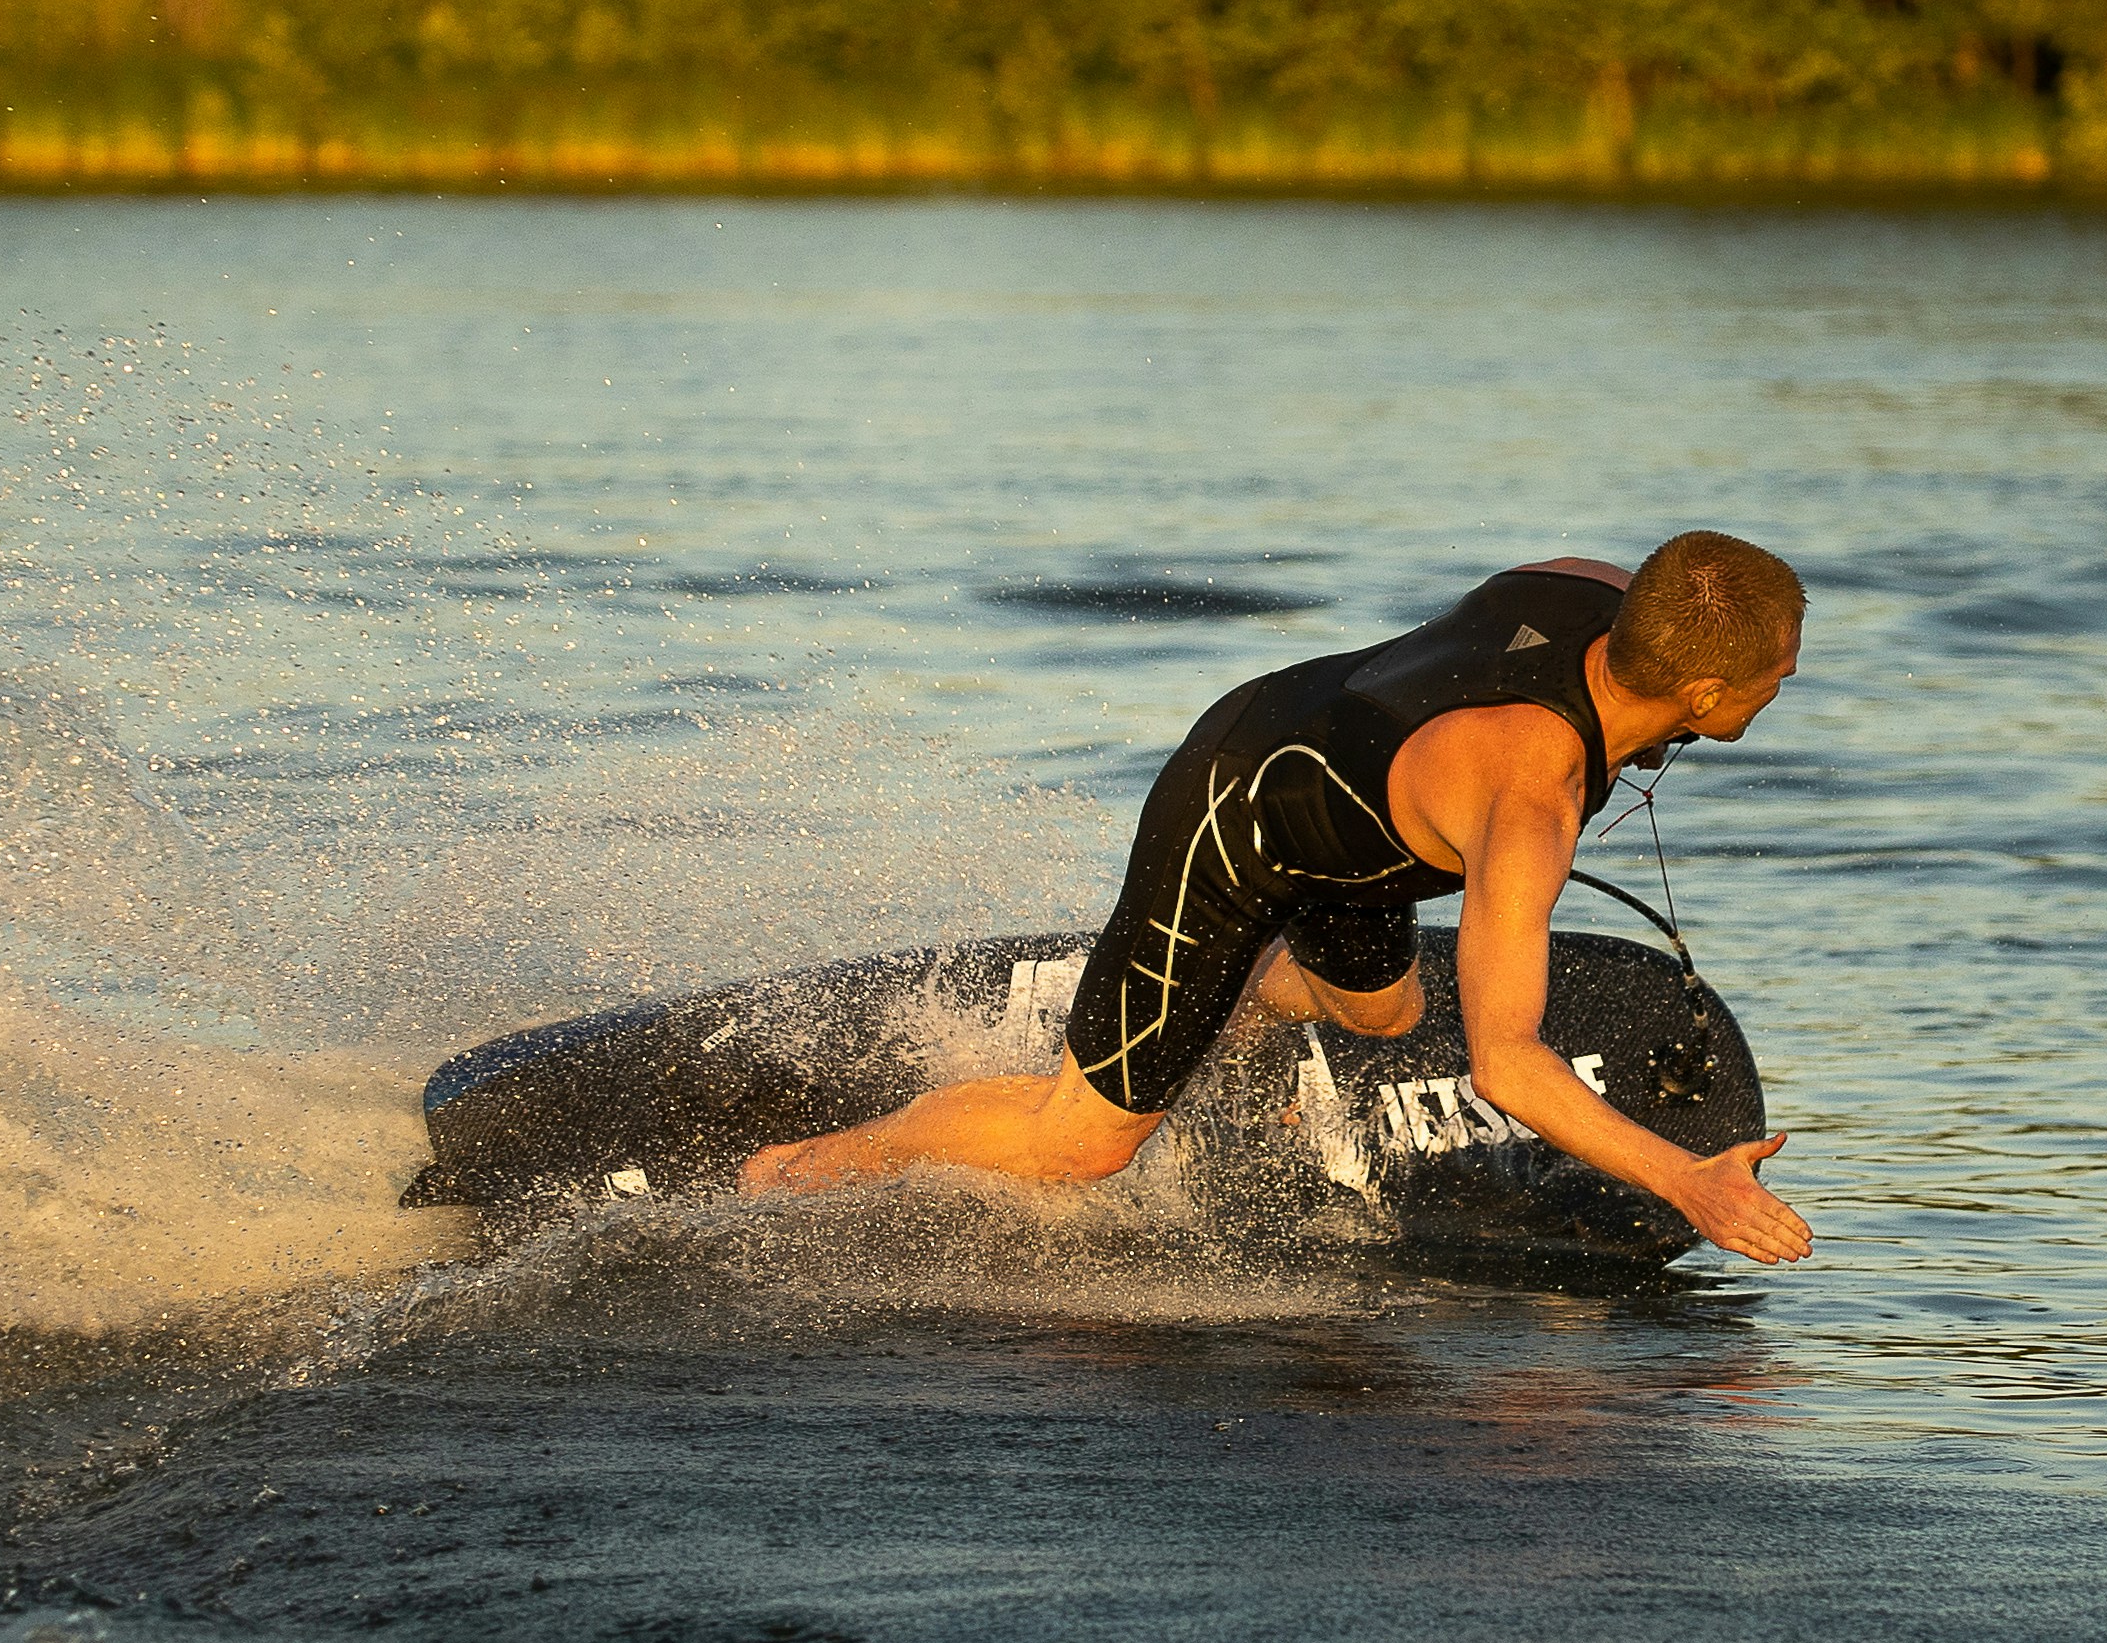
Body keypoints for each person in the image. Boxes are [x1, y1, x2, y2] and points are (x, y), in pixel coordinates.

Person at [742, 530, 1814, 1263]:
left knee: (1385, 1012)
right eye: (1779, 674)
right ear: (1706, 693)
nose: (1788, 683)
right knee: (1078, 1147)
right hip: (1241, 814)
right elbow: (1510, 1063)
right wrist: (1689, 1184)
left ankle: (1241, 1003)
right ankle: (798, 1170)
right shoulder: (1531, 801)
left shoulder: (1596, 591)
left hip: (1352, 829)